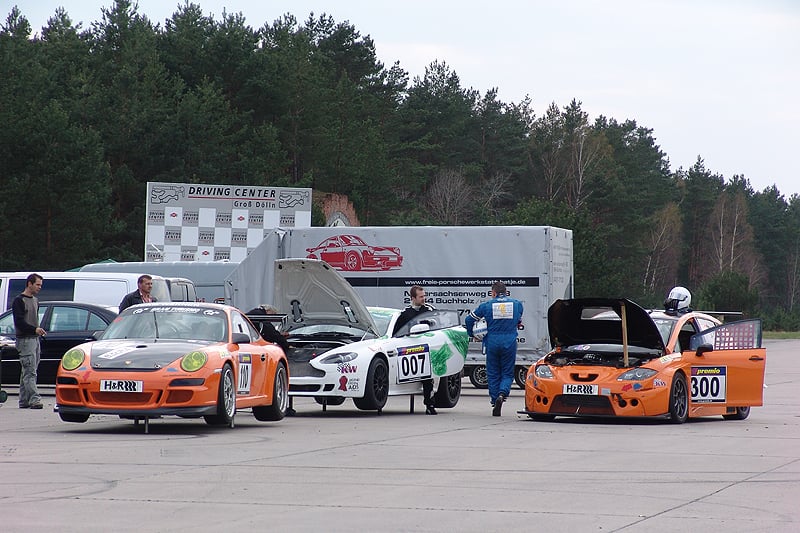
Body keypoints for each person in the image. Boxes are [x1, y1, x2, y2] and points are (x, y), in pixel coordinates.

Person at [465, 281, 524, 416]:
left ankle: (494, 399)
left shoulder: (486, 306)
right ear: (506, 292)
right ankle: (502, 394)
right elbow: (519, 319)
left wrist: (472, 334)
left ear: (493, 293)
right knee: (507, 373)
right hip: (509, 342)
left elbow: (469, 319)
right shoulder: (517, 304)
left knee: (493, 372)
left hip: (492, 342)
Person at [393, 285, 439, 415]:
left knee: (428, 378)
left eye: (424, 296)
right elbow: (397, 332)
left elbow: (439, 326)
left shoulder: (430, 310)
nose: (424, 299)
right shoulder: (405, 314)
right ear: (413, 298)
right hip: (410, 350)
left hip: (427, 349)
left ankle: (430, 405)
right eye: (421, 297)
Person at [12, 273, 46, 409]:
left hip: (35, 339)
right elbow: (19, 322)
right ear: (29, 284)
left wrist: (36, 331)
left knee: (28, 370)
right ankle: (34, 399)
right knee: (30, 371)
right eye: (37, 284)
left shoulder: (35, 301)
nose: (39, 287)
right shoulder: (19, 301)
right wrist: (34, 329)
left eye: (40, 285)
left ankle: (24, 400)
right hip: (25, 340)